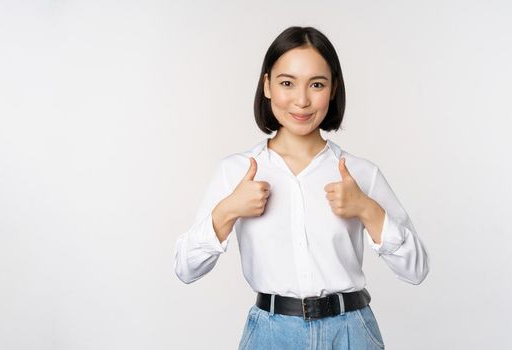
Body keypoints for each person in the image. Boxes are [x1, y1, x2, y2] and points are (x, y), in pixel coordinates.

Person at [173, 26, 429, 349]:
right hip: (270, 335)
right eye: (287, 83)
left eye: (317, 84)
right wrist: (227, 211)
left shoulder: (360, 173)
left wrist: (367, 209)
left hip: (351, 334)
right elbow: (185, 268)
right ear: (267, 86)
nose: (302, 100)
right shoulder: (236, 173)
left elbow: (416, 269)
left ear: (333, 88)